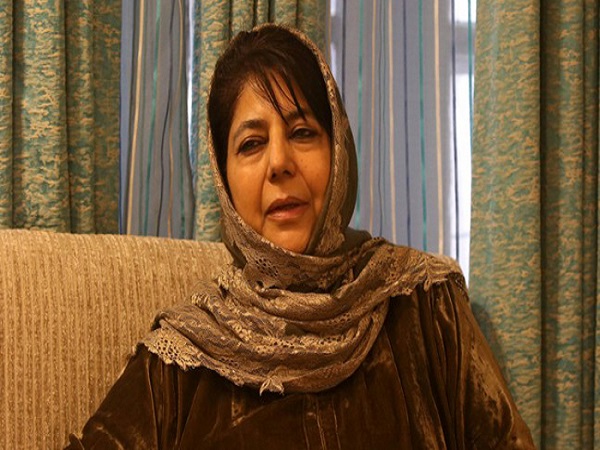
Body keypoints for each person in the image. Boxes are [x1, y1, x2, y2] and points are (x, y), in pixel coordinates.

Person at [66, 24, 535, 449]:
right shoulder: (181, 364)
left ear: (338, 150)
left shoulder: (427, 307)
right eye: (251, 144)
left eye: (302, 132)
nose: (279, 163)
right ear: (224, 179)